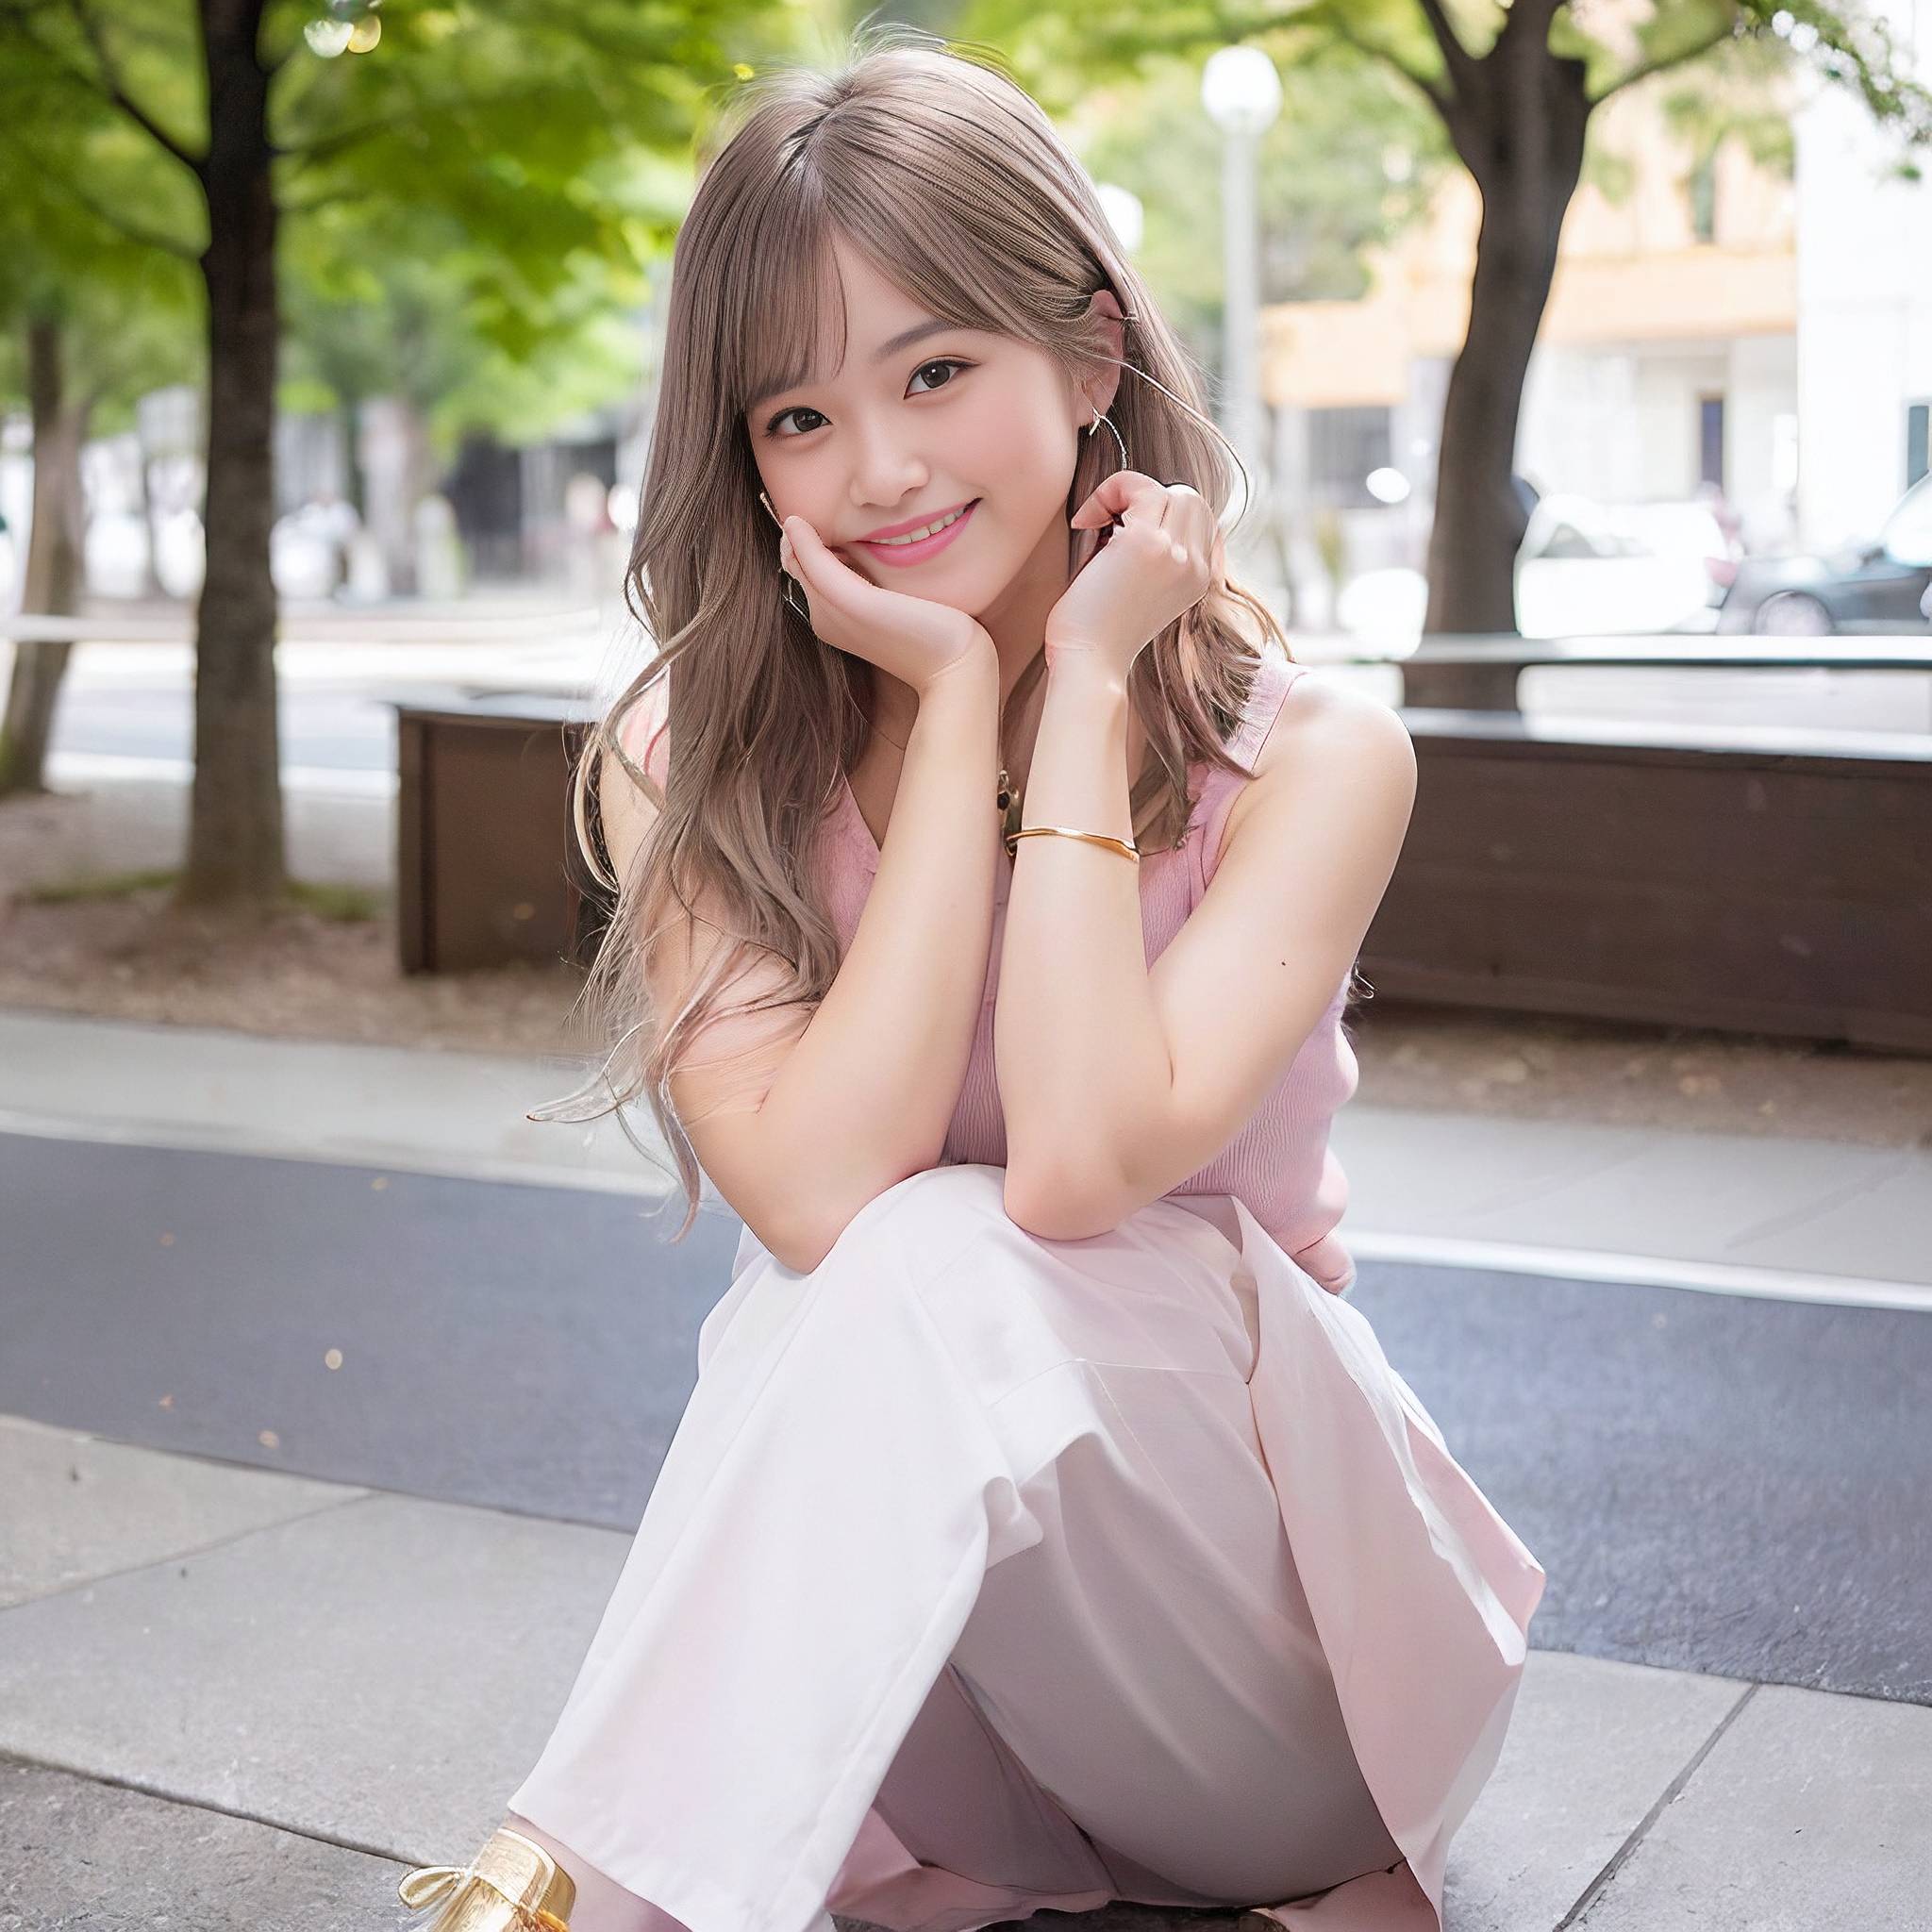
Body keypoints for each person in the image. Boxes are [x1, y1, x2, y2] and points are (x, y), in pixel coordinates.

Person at [394, 27, 1543, 1932]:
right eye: (799, 417)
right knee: (843, 1274)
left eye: (936, 370)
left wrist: (1083, 689)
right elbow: (818, 1191)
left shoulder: (1316, 760)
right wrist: (942, 718)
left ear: (1087, 358)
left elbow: (1082, 1164)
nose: (882, 469)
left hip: (1263, 1675)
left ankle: (578, 1900)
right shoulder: (694, 756)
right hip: (944, 1728)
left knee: (940, 1257)